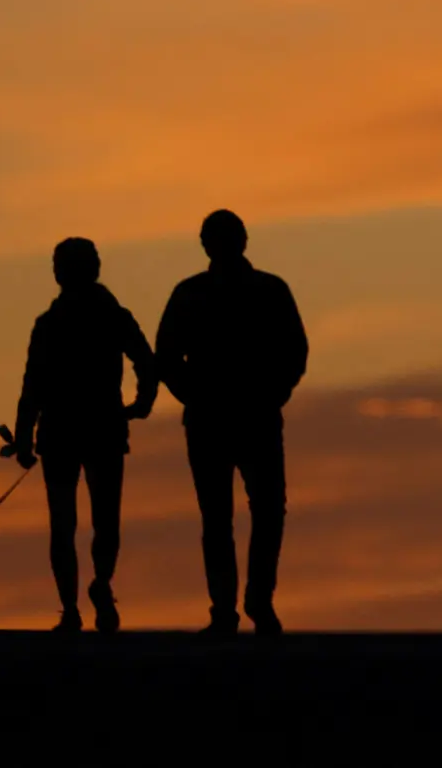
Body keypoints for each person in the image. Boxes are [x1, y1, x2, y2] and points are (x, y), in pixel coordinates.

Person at [155, 209, 308, 636]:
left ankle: (256, 601)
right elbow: (166, 355)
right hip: (214, 419)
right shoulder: (192, 294)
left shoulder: (268, 290)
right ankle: (226, 607)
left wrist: (274, 393)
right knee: (220, 516)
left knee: (264, 512)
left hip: (254, 416)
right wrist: (195, 396)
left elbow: (294, 350)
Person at [13, 237, 158, 633]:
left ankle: (74, 607)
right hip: (101, 429)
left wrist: (25, 437)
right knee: (103, 521)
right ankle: (98, 588)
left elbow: (32, 386)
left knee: (65, 523)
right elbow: (146, 362)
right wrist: (142, 403)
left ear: (60, 273)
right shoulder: (112, 316)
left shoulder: (51, 323)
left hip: (66, 431)